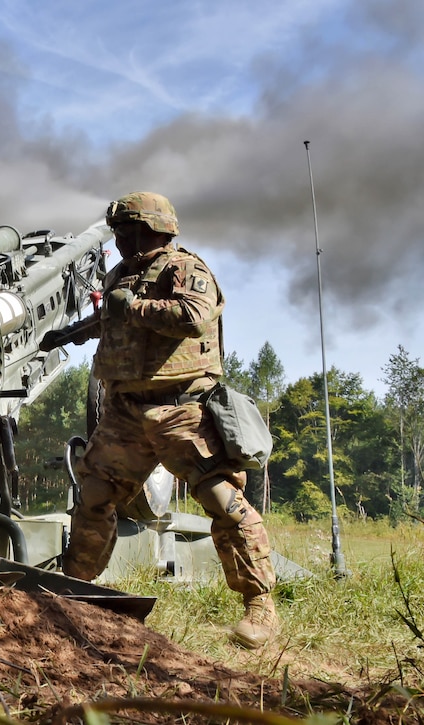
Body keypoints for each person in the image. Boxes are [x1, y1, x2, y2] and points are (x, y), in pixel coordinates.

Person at [40, 191, 278, 649]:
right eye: (119, 231)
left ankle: (259, 607)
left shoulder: (186, 269)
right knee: (94, 496)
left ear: (154, 228)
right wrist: (66, 335)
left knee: (222, 498)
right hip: (125, 412)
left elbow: (193, 316)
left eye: (129, 230)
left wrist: (134, 307)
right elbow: (108, 321)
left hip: (181, 408)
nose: (122, 239)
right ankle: (72, 594)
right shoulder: (121, 275)